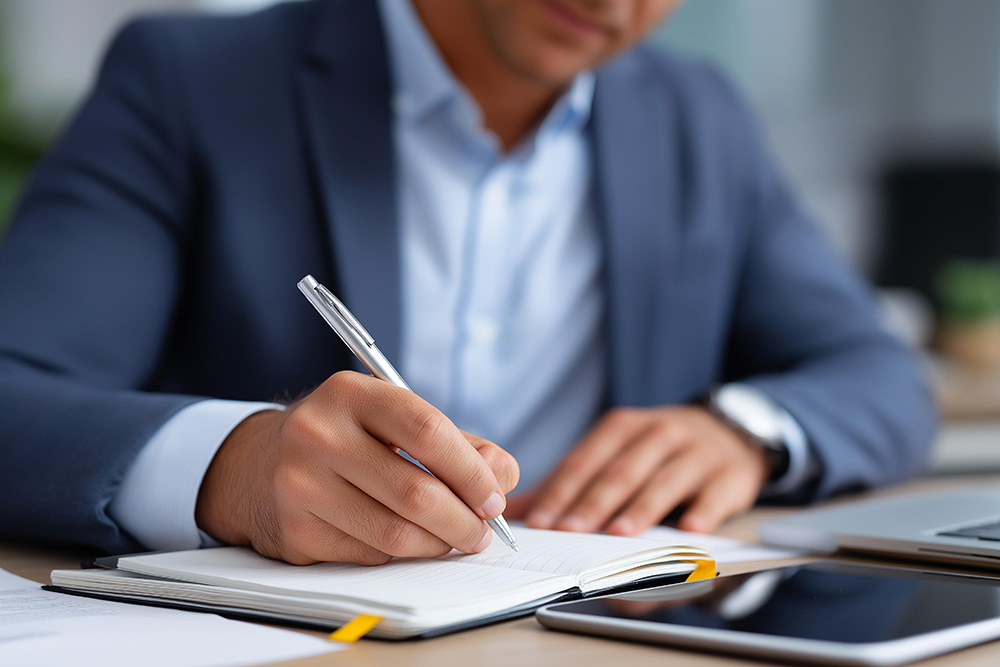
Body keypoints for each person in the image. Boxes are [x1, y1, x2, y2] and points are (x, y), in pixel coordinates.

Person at [0, 0, 935, 565]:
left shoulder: (700, 120)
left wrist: (742, 430)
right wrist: (233, 470)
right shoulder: (193, 83)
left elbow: (876, 373)